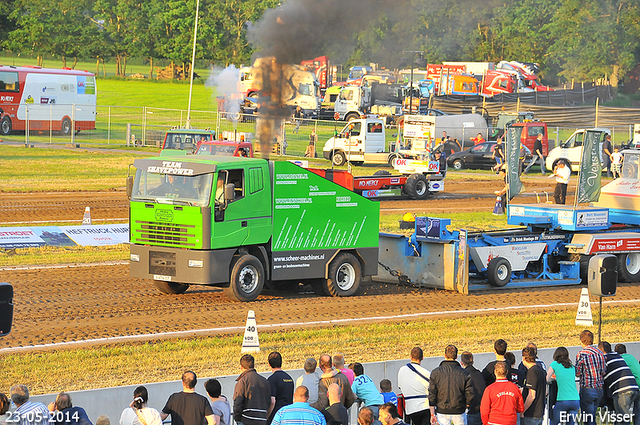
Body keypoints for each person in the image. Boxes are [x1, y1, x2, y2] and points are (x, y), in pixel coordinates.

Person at [428, 345, 475, 425]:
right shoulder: (464, 373)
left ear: (445, 355)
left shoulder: (435, 373)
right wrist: (466, 405)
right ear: (456, 356)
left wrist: (432, 414)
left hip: (442, 410)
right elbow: (470, 393)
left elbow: (432, 394)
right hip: (459, 409)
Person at [598, 341, 639, 425]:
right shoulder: (617, 356)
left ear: (600, 351)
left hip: (622, 390)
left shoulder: (603, 359)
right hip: (634, 387)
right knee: (619, 418)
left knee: (622, 419)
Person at [575, 330, 606, 425]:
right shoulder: (600, 353)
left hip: (587, 389)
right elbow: (604, 371)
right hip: (599, 389)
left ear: (581, 341)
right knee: (592, 416)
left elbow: (577, 373)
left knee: (588, 419)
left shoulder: (582, 354)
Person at [233, 354, 272, 425]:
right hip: (262, 420)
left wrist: (237, 419)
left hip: (246, 420)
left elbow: (238, 403)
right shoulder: (265, 381)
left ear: (241, 367)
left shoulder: (242, 381)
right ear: (253, 365)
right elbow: (269, 402)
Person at [546, 347, 580, 425]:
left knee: (554, 422)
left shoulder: (555, 364)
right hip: (575, 399)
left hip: (563, 400)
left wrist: (553, 380)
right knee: (570, 423)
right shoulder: (571, 366)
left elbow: (547, 378)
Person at [397, 347, 431, 425]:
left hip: (410, 409)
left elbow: (400, 387)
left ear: (410, 356)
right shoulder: (426, 373)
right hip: (425, 407)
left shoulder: (402, 370)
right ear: (422, 358)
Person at [521, 346, 547, 425]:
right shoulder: (541, 370)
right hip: (539, 412)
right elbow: (546, 392)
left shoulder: (532, 372)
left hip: (531, 414)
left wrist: (523, 410)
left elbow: (532, 396)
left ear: (524, 358)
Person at [267, 351, 294, 424]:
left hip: (276, 416)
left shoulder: (272, 379)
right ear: (281, 362)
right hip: (288, 415)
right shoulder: (289, 378)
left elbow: (272, 401)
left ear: (269, 364)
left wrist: (267, 416)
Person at [460, 351, 486, 425]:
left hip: (470, 410)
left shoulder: (463, 375)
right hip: (481, 409)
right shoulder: (479, 374)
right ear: (473, 362)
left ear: (461, 363)